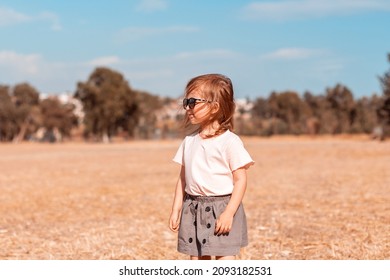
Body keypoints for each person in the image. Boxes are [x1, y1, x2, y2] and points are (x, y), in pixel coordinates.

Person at [168, 74, 254, 260]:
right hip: (192, 207)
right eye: (186, 102)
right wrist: (176, 209)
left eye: (192, 102)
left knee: (225, 259)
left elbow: (240, 180)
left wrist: (229, 213)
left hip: (222, 207)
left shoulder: (230, 142)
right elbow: (182, 179)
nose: (187, 107)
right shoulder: (189, 142)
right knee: (197, 260)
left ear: (215, 107)